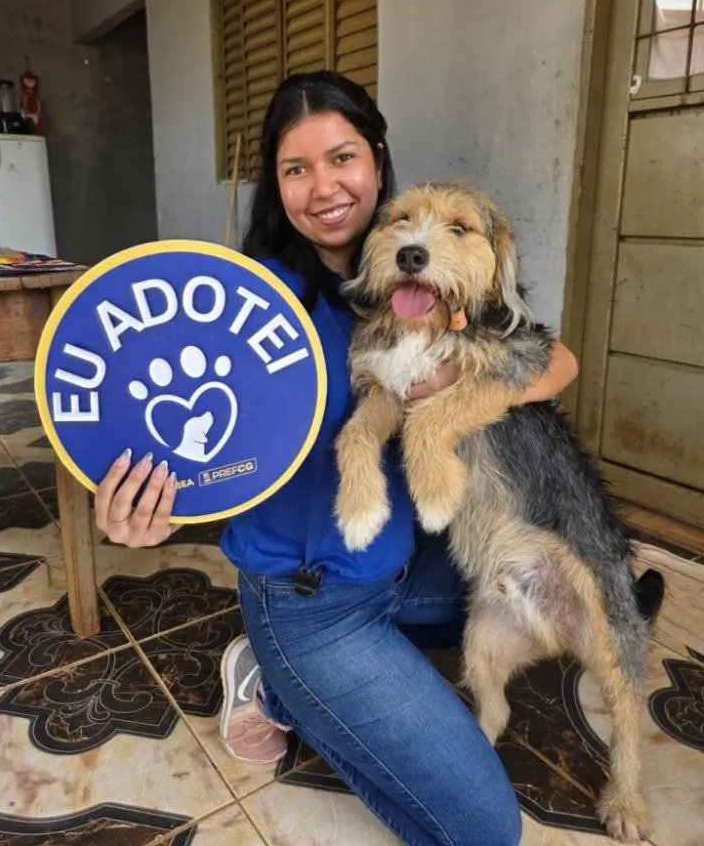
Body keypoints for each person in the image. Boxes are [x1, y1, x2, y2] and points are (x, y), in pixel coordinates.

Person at [94, 71, 579, 846]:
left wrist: (459, 382)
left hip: (400, 561)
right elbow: (166, 429)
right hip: (309, 603)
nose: (324, 187)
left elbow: (554, 361)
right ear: (274, 185)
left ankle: (305, 687)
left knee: (555, 603)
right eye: (296, 168)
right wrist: (149, 501)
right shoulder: (248, 301)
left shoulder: (421, 268)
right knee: (485, 831)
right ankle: (279, 673)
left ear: (377, 159)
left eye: (342, 157)